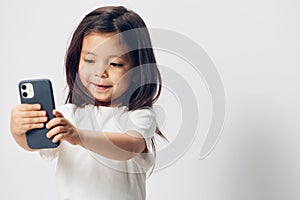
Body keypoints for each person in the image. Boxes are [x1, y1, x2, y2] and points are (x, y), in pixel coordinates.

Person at [10, 6, 165, 200]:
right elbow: (39, 144)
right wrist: (18, 132)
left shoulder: (138, 116)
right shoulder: (67, 115)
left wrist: (80, 137)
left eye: (115, 64)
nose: (100, 73)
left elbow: (129, 147)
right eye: (90, 60)